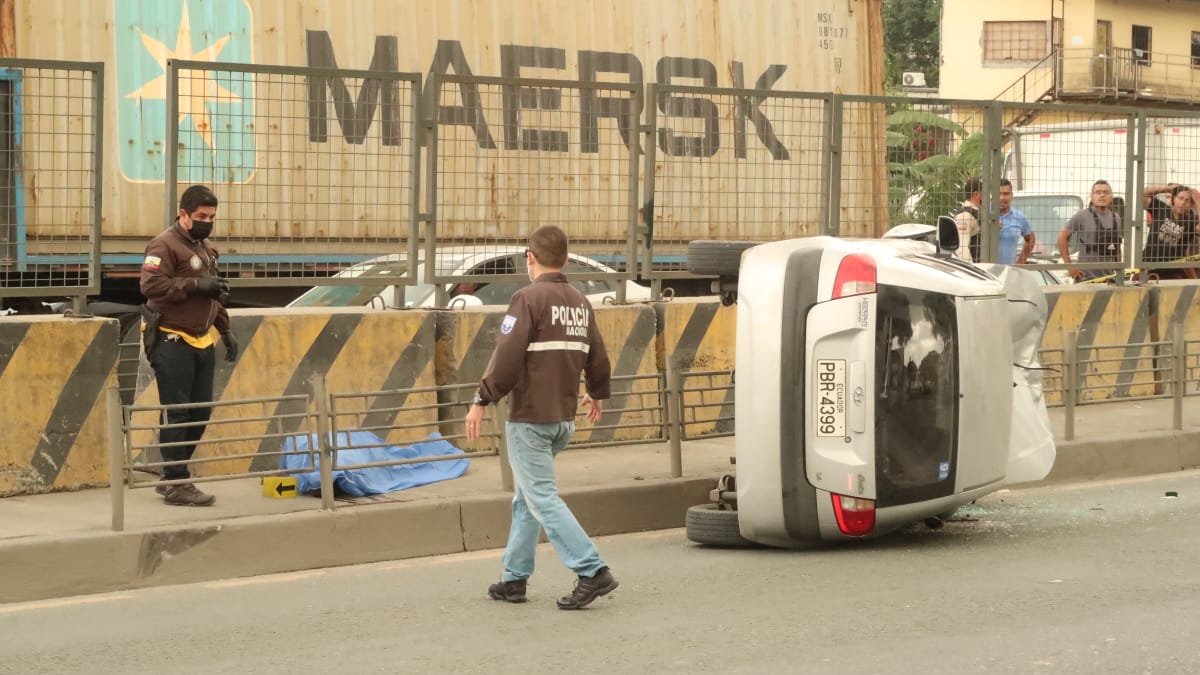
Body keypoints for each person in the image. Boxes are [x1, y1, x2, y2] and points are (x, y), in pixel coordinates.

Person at [464, 225, 618, 610]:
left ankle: (591, 569)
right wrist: (597, 393)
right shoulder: (581, 302)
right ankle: (514, 578)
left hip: (530, 419)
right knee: (527, 498)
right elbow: (598, 357)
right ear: (565, 259)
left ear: (529, 258)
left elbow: (507, 359)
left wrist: (482, 398)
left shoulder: (527, 299)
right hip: (563, 420)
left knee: (541, 497)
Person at [139, 185, 239, 506]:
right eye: (200, 216)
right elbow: (151, 286)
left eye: (211, 217)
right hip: (171, 337)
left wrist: (225, 329)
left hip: (201, 339)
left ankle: (173, 475)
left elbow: (211, 295)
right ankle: (177, 481)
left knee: (199, 412)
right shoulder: (164, 245)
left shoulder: (206, 247)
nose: (206, 221)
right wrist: (196, 284)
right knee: (178, 413)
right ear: (183, 214)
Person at [1058, 180, 1122, 281]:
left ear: (1111, 197)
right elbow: (1062, 238)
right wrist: (1070, 267)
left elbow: (1117, 246)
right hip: (1086, 279)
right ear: (1092, 196)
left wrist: (1119, 270)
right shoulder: (1082, 215)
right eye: (1098, 192)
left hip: (1109, 279)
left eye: (1105, 192)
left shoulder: (1116, 218)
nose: (1102, 195)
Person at [1142, 183, 1200, 280]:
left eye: (1187, 201)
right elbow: (1141, 193)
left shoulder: (1191, 221)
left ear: (1191, 204)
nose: (1182, 203)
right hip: (1148, 269)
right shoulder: (1161, 208)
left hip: (1172, 273)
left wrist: (1198, 202)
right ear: (1174, 198)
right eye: (1180, 198)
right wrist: (1166, 188)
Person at [997, 179, 1036, 265]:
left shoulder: (1019, 217)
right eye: (998, 194)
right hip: (984, 272)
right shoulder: (984, 215)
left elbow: (1031, 239)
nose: (1002, 198)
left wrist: (1020, 262)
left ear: (1011, 195)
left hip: (1009, 272)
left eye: (1006, 194)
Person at [953, 177, 983, 262]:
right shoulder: (965, 215)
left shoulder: (976, 213)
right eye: (984, 193)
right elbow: (962, 248)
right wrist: (970, 270)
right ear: (976, 194)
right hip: (974, 269)